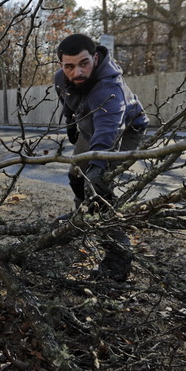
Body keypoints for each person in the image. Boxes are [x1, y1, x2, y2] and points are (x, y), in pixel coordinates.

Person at [54, 33, 149, 282]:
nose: (77, 72)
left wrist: (98, 167)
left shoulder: (109, 88)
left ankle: (118, 257)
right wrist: (70, 121)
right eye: (69, 66)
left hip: (125, 128)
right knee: (76, 173)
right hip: (89, 120)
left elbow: (108, 130)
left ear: (95, 58)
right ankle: (82, 216)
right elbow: (68, 99)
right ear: (62, 66)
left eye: (84, 63)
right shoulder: (61, 79)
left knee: (97, 187)